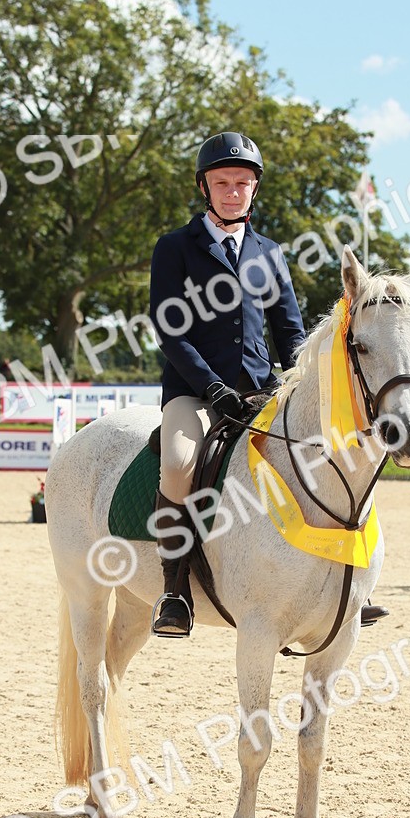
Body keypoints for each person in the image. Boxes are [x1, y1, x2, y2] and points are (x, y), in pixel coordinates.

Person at [148, 131, 305, 637]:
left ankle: (340, 583)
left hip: (261, 389)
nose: (232, 191)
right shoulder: (175, 248)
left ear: (254, 189)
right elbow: (170, 329)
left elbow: (291, 333)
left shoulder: (269, 253)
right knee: (177, 463)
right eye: (222, 182)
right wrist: (212, 386)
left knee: (326, 451)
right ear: (205, 188)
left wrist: (298, 382)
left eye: (242, 182)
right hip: (195, 393)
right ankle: (174, 590)